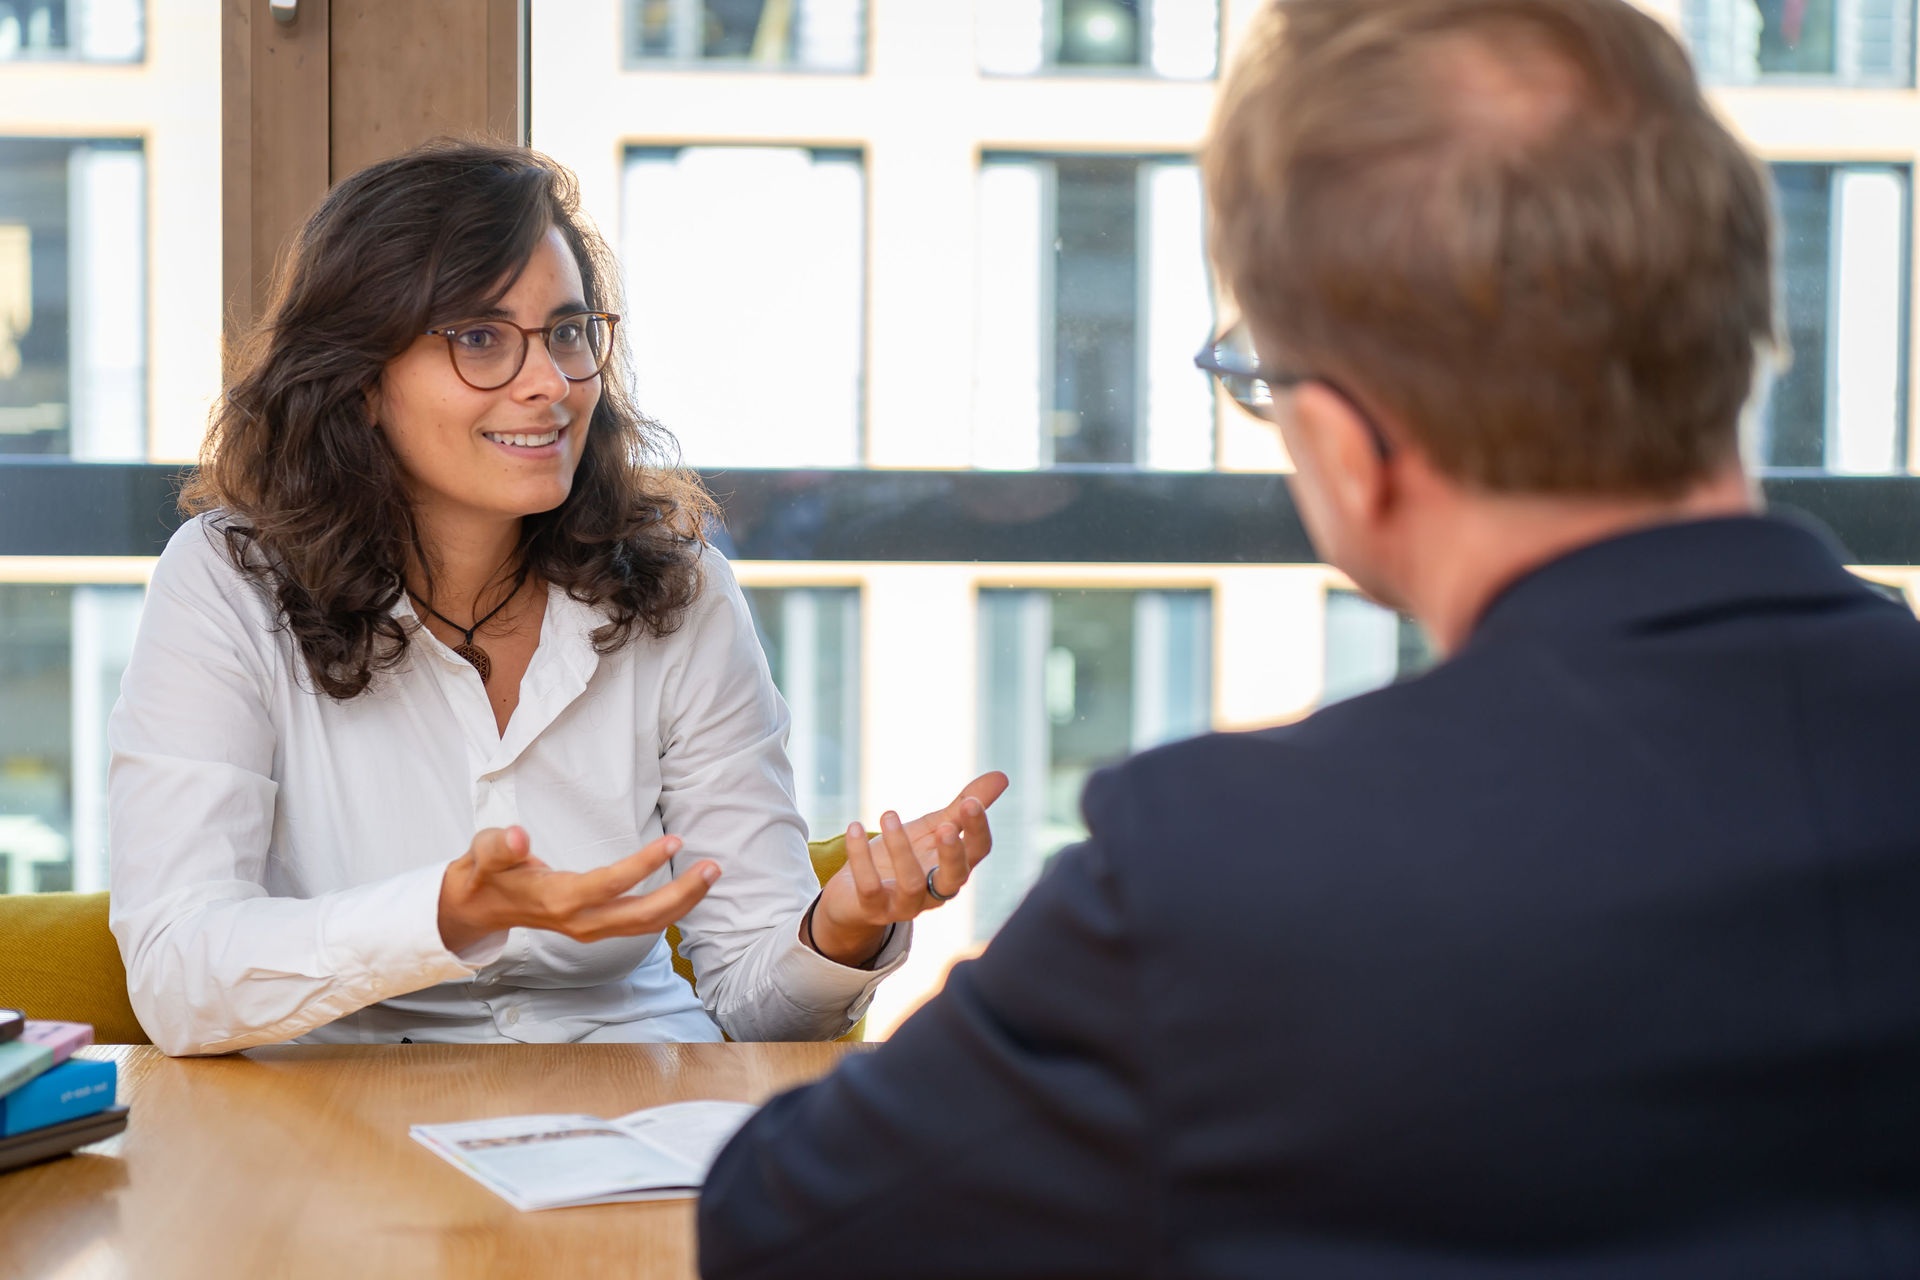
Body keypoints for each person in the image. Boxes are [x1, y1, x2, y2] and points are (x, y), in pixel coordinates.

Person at [696, 0, 1920, 1275]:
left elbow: (785, 1223)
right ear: (1736, 334)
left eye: (1261, 377)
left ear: (1345, 442)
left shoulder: (1213, 881)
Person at [108, 140, 1002, 1056]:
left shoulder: (679, 589)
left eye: (569, 333)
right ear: (362, 381)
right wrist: (440, 917)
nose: (552, 385)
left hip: (634, 1117)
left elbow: (752, 1005)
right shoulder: (227, 581)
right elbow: (179, 973)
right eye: (481, 338)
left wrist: (840, 930)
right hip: (336, 1122)